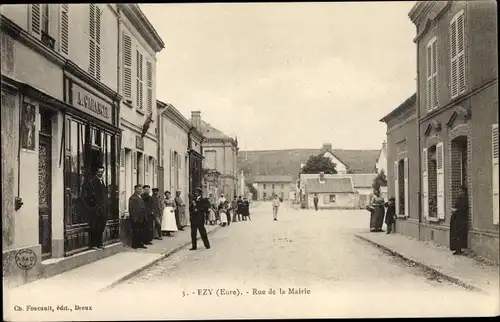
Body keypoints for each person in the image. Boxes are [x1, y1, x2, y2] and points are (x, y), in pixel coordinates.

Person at [82, 166, 108, 250]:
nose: (100, 173)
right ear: (96, 172)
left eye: (102, 172)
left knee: (101, 226)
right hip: (96, 209)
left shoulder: (102, 181)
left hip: (102, 208)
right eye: (99, 172)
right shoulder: (93, 181)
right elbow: (91, 196)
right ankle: (94, 245)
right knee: (95, 226)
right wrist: (95, 207)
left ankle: (99, 243)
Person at [450, 186, 469, 255]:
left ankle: (459, 249)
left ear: (464, 192)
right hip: (456, 219)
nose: (459, 192)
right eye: (459, 191)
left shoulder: (464, 199)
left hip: (460, 219)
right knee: (455, 234)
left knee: (459, 234)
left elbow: (463, 209)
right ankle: (457, 249)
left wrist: (456, 210)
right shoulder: (459, 198)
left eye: (460, 191)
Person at [128, 185, 147, 249]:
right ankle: (135, 245)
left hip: (141, 218)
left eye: (141, 189)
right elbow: (131, 209)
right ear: (135, 189)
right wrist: (134, 218)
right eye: (138, 189)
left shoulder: (140, 197)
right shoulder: (133, 198)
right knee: (136, 231)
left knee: (141, 232)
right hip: (136, 218)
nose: (140, 190)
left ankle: (140, 244)